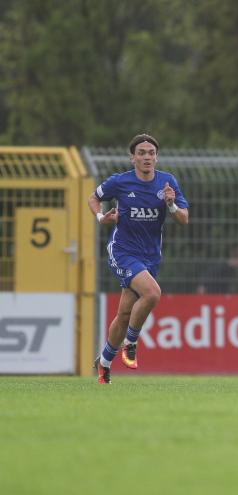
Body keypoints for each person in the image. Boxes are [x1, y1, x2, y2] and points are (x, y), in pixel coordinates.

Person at [88, 133, 189, 384]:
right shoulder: (120, 182)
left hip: (150, 256)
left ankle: (104, 364)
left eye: (151, 153)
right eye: (141, 153)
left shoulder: (167, 182)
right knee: (153, 293)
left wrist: (171, 205)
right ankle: (131, 343)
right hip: (122, 251)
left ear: (156, 157)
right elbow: (93, 198)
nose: (147, 157)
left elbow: (184, 218)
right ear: (132, 157)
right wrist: (102, 218)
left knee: (124, 314)